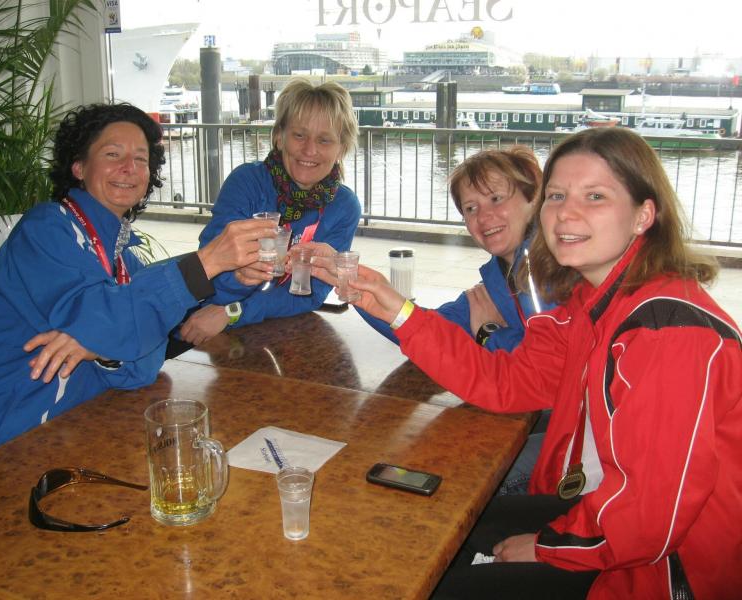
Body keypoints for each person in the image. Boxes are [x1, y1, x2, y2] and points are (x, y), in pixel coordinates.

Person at [314, 127, 741, 599]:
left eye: (595, 196)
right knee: (437, 521)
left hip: (665, 570)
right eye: (558, 195)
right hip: (605, 511)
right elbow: (508, 383)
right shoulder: (590, 304)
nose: (566, 213)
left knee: (438, 582)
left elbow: (650, 517)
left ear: (643, 215)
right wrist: (395, 307)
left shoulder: (669, 333)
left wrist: (548, 546)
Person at [0, 103, 271, 475]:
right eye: (113, 154)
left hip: (59, 437)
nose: (129, 167)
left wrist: (99, 345)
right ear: (79, 167)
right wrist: (205, 264)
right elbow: (102, 317)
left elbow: (142, 368)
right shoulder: (46, 230)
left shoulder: (126, 261)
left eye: (141, 159)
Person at [179, 77, 361, 345]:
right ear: (279, 137)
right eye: (299, 135)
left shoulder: (344, 207)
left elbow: (309, 295)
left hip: (277, 332)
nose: (309, 150)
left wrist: (235, 313)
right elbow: (208, 277)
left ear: (341, 148)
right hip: (207, 331)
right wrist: (239, 278)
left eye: (324, 140)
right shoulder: (247, 183)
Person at [359, 146, 555, 354]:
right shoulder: (496, 278)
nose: (483, 216)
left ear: (533, 199)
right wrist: (366, 290)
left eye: (496, 198)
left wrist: (487, 332)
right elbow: (436, 330)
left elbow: (550, 361)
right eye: (471, 208)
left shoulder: (547, 267)